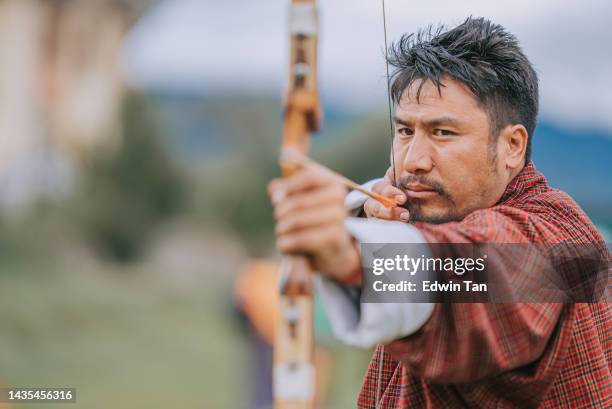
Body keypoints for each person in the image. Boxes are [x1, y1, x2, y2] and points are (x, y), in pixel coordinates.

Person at [268, 17, 610, 408]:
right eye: (405, 131)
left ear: (512, 146)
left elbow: (482, 270)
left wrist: (348, 257)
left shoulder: (559, 242)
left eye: (443, 133)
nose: (413, 161)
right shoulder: (431, 221)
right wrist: (367, 223)